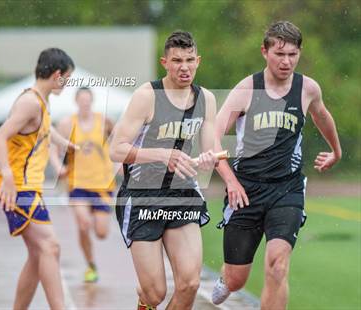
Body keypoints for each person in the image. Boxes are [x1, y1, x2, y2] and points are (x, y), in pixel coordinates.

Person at [211, 21, 342, 310]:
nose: (286, 61)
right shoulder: (247, 89)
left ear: (299, 53)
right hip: (246, 191)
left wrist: (336, 151)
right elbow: (212, 136)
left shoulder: (307, 88)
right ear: (264, 51)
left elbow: (322, 116)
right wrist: (230, 181)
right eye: (279, 54)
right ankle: (226, 277)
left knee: (277, 267)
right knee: (237, 280)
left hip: (288, 189)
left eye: (292, 55)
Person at [110, 31, 219, 310]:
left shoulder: (206, 99)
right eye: (177, 60)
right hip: (142, 196)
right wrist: (162, 154)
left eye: (190, 60)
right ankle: (145, 300)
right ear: (165, 63)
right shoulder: (147, 96)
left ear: (199, 61)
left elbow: (211, 149)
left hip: (182, 194)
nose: (184, 67)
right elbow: (116, 149)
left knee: (190, 284)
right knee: (155, 294)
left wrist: (209, 159)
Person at [0, 48, 76, 310]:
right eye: (67, 79)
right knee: (50, 247)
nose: (68, 84)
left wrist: (67, 145)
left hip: (28, 188)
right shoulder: (30, 102)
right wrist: (6, 175)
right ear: (57, 74)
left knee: (39, 254)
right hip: (17, 189)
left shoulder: (40, 101)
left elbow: (44, 130)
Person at [51, 87, 116, 283]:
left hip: (102, 184)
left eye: (88, 100)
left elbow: (119, 143)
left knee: (102, 232)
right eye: (82, 100)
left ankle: (91, 259)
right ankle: (90, 265)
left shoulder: (104, 121)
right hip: (77, 183)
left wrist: (119, 165)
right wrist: (57, 167)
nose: (85, 103)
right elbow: (53, 148)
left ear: (92, 101)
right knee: (83, 223)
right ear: (76, 101)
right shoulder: (66, 124)